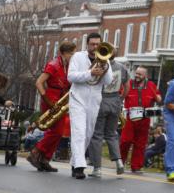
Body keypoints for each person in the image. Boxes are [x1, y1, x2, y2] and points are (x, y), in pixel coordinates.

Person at [68, 33, 113, 179]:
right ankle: (80, 167)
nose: (95, 47)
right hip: (77, 99)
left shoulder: (105, 59)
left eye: (97, 45)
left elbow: (108, 81)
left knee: (87, 134)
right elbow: (71, 76)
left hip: (94, 101)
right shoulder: (78, 57)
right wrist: (90, 73)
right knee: (79, 132)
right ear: (87, 44)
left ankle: (75, 163)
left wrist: (104, 67)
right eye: (92, 44)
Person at [27, 41, 76, 172]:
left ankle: (44, 159)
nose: (73, 55)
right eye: (72, 53)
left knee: (57, 132)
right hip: (51, 99)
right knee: (56, 131)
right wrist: (47, 99)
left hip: (60, 99)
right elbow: (39, 82)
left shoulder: (68, 65)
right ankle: (36, 152)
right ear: (65, 53)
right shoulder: (53, 65)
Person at [88, 48, 130, 177]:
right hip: (115, 100)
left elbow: (90, 81)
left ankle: (97, 168)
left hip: (101, 99)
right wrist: (120, 99)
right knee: (112, 134)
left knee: (97, 135)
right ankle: (119, 162)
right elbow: (127, 86)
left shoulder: (100, 66)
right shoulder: (122, 67)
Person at [119, 65, 162, 173]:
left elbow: (159, 98)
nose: (137, 76)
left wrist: (158, 98)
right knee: (125, 141)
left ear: (145, 76)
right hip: (130, 117)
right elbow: (120, 95)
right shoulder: (128, 84)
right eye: (136, 73)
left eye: (140, 74)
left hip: (144, 117)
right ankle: (120, 163)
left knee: (140, 143)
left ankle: (136, 166)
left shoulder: (151, 85)